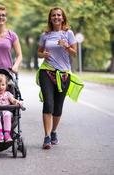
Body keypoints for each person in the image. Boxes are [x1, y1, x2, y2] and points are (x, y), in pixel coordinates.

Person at [37, 7, 79, 149]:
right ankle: (47, 136)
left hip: (63, 74)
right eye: (53, 15)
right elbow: (39, 53)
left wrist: (66, 45)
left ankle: (54, 131)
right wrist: (44, 55)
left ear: (63, 18)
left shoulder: (69, 33)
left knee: (58, 106)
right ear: (50, 18)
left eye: (59, 15)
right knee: (48, 103)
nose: (56, 17)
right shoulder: (45, 34)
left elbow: (74, 54)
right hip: (46, 71)